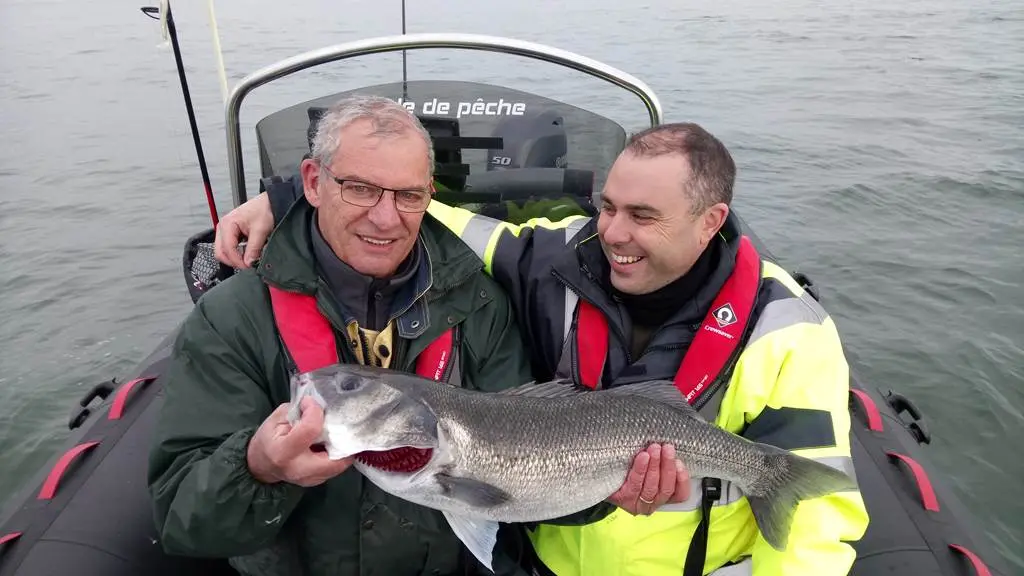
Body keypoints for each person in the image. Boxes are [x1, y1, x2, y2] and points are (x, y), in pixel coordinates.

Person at [214, 120, 870, 575]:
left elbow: (821, 525)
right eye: (607, 205)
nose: (612, 232)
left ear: (711, 222)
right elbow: (427, 216)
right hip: (547, 562)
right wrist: (288, 200)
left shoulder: (788, 331)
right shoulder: (550, 257)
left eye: (642, 217)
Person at [148, 95, 689, 576]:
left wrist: (610, 490)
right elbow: (182, 522)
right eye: (359, 189)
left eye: (408, 196)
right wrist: (258, 467)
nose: (385, 219)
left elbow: (523, 460)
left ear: (430, 195)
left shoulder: (480, 304)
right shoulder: (231, 321)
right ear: (312, 182)